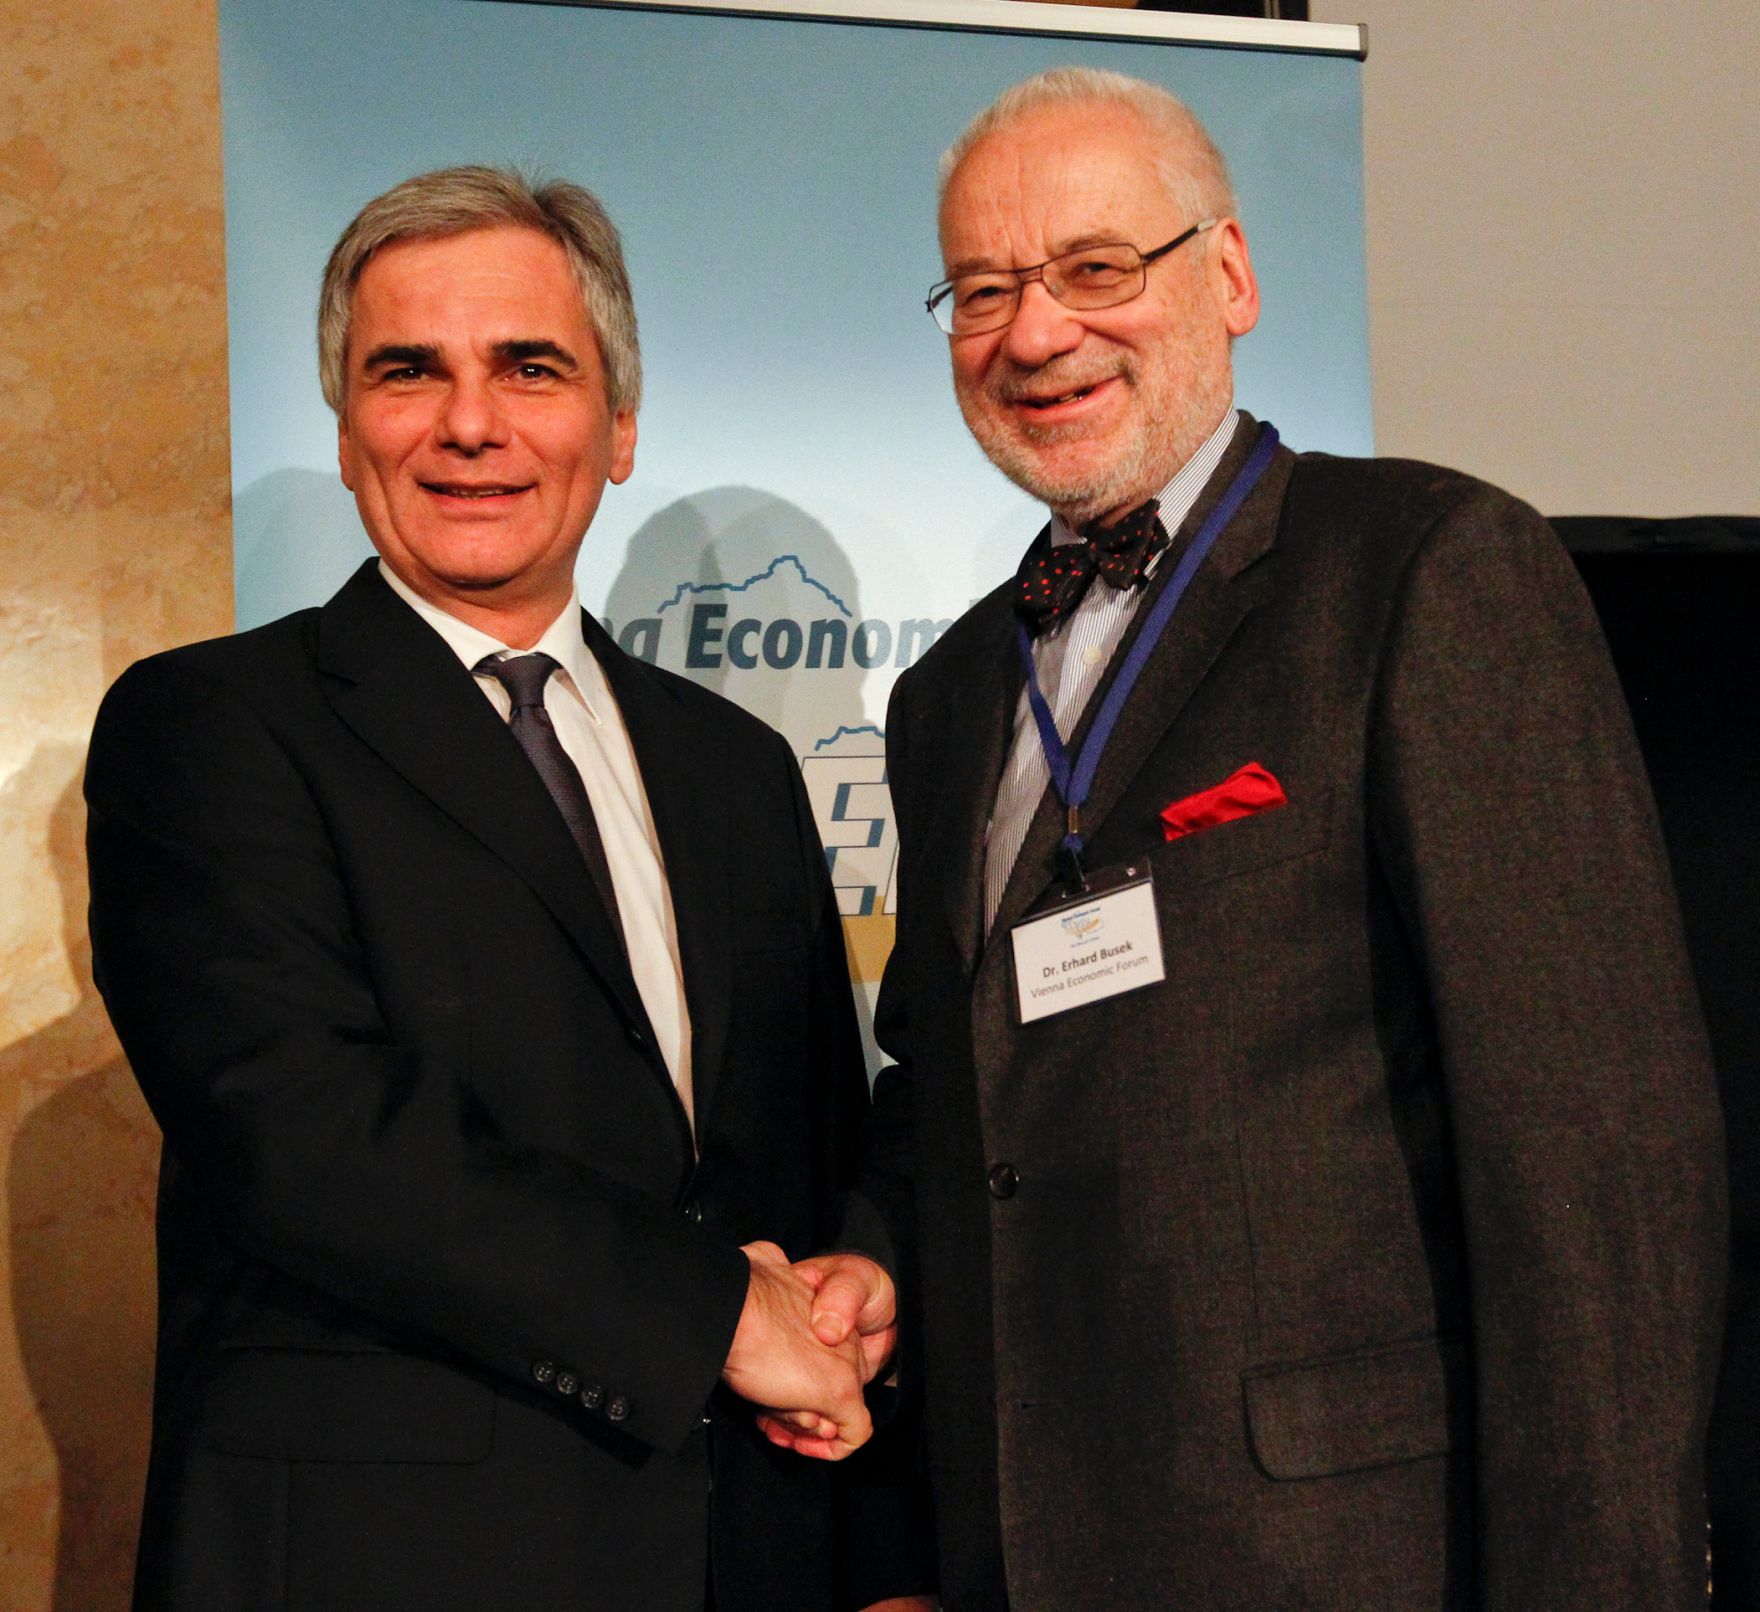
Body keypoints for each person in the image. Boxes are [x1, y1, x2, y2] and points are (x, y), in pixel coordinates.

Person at [784, 67, 1726, 1610]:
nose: (1035, 332)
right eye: (983, 289)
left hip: (1352, 1559)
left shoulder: (1427, 569)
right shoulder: (947, 693)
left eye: (1097, 268)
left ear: (1226, 275)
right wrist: (876, 1260)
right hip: (1030, 1553)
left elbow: (1595, 1161)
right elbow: (957, 1100)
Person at [86, 166, 931, 1612]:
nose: (468, 423)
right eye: (407, 373)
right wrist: (720, 1311)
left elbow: (802, 1155)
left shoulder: (733, 765)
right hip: (384, 1566)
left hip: (743, 1557)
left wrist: (856, 1332)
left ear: (617, 429)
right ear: (350, 434)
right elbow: (310, 1141)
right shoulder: (213, 725)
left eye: (529, 369)